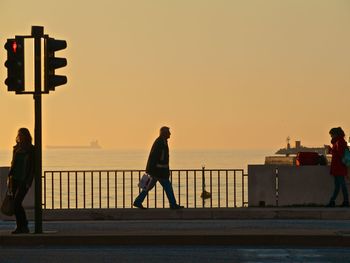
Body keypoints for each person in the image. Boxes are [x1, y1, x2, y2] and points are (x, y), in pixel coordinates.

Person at [133, 126, 184, 209]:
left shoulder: (161, 142)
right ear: (164, 133)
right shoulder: (160, 143)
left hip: (155, 171)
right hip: (159, 172)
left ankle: (138, 201)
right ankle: (173, 204)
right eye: (168, 132)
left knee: (147, 187)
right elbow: (159, 159)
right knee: (168, 187)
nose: (170, 134)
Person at [8, 128, 35, 233]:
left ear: (26, 136)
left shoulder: (31, 149)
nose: (20, 136)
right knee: (15, 204)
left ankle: (23, 226)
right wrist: (9, 177)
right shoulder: (16, 148)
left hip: (24, 180)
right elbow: (13, 163)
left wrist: (29, 180)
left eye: (22, 134)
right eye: (19, 134)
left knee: (17, 202)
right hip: (14, 179)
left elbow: (32, 167)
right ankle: (21, 226)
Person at [326, 127, 349, 207]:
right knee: (339, 186)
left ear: (335, 134)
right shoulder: (339, 142)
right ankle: (334, 201)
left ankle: (343, 201)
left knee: (341, 185)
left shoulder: (339, 142)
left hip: (339, 167)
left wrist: (332, 150)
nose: (331, 136)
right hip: (339, 167)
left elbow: (340, 154)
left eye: (331, 135)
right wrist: (332, 150)